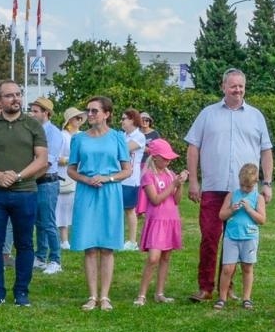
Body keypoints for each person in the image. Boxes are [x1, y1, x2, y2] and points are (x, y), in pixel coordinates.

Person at [185, 68, 274, 302]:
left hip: (243, 191)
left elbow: (266, 151)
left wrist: (267, 183)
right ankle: (205, 288)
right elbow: (193, 147)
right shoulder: (207, 114)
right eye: (233, 86)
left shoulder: (256, 116)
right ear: (223, 86)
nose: (237, 90)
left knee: (237, 238)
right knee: (210, 238)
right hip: (214, 188)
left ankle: (229, 287)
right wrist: (193, 181)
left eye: (241, 86)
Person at [0, 81, 46, 306]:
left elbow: (42, 159)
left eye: (18, 94)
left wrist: (19, 176)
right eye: (9, 95)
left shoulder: (33, 125)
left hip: (26, 193)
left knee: (24, 244)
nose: (15, 99)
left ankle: (22, 292)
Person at [68, 96, 132, 310]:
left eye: (95, 111)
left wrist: (108, 178)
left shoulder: (117, 138)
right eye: (89, 111)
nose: (90, 115)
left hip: (110, 192)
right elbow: (71, 168)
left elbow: (127, 169)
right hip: (86, 192)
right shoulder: (79, 139)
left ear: (107, 114)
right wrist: (86, 179)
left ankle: (105, 297)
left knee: (107, 246)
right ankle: (92, 296)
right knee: (89, 246)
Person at [134, 138, 186, 305]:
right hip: (157, 220)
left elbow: (177, 200)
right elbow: (155, 199)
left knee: (165, 257)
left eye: (169, 158)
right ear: (155, 157)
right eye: (164, 157)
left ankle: (159, 293)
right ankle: (141, 294)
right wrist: (173, 185)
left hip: (171, 219)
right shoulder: (148, 176)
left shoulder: (170, 174)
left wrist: (180, 185)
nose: (168, 160)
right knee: (153, 258)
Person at [215, 163, 267, 309]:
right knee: (227, 269)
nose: (244, 189)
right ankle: (222, 298)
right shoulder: (232, 195)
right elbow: (221, 215)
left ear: (255, 183)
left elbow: (262, 220)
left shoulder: (258, 198)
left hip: (249, 238)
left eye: (248, 187)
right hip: (231, 237)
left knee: (247, 267)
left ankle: (246, 298)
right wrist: (232, 209)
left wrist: (250, 209)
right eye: (242, 186)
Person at [30, 97, 64, 275]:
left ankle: (56, 259)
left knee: (49, 222)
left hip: (47, 181)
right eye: (32, 110)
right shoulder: (33, 130)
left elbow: (47, 163)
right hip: (36, 180)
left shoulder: (53, 133)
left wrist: (28, 178)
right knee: (38, 221)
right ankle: (41, 256)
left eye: (36, 111)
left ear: (46, 113)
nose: (32, 114)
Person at [56, 106, 84, 251]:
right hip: (64, 173)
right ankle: (64, 239)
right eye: (76, 118)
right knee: (63, 207)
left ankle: (77, 238)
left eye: (80, 118)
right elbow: (57, 157)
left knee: (77, 206)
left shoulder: (82, 135)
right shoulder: (62, 135)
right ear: (69, 121)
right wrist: (71, 160)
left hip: (80, 174)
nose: (79, 120)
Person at [120, 107, 147, 250]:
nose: (121, 121)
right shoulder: (122, 135)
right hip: (119, 177)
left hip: (131, 179)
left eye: (124, 119)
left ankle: (132, 241)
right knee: (117, 209)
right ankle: (118, 238)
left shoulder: (139, 137)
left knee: (129, 209)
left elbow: (123, 150)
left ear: (132, 120)